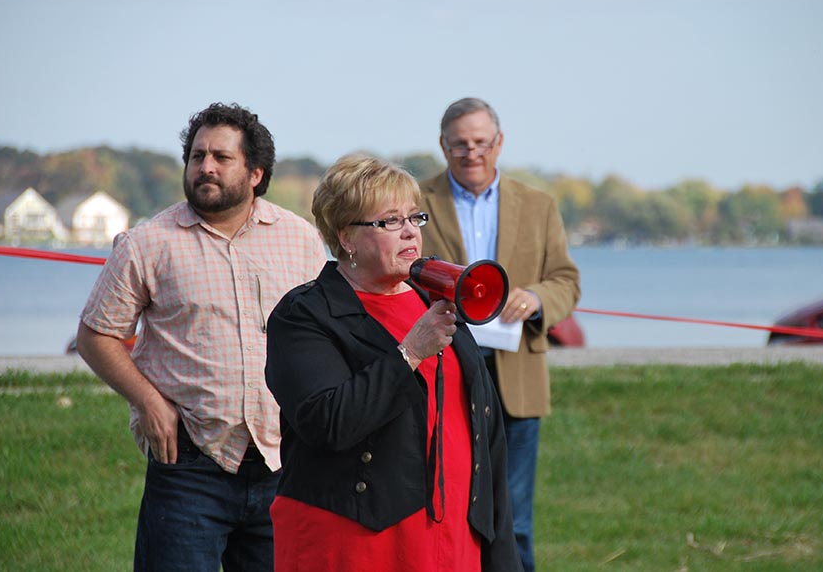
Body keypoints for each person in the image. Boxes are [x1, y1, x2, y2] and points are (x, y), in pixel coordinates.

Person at [76, 102, 327, 571]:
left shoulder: (301, 239)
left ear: (255, 172)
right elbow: (96, 335)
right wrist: (149, 403)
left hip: (285, 463)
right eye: (196, 156)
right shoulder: (147, 243)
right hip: (189, 463)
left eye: (221, 157)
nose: (205, 167)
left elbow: (322, 333)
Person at [264, 154, 523, 572]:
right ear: (346, 236)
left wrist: (500, 553)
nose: (409, 233)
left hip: (455, 538)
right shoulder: (304, 314)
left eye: (414, 218)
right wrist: (410, 354)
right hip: (356, 543)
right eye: (389, 221)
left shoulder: (432, 302)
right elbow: (328, 422)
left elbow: (484, 437)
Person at [419, 97, 581, 572]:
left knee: (515, 521)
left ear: (499, 143)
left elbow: (566, 281)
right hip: (443, 371)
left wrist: (534, 299)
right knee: (444, 511)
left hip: (516, 379)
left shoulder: (538, 205)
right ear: (443, 146)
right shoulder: (416, 202)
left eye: (481, 142)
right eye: (460, 144)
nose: (472, 152)